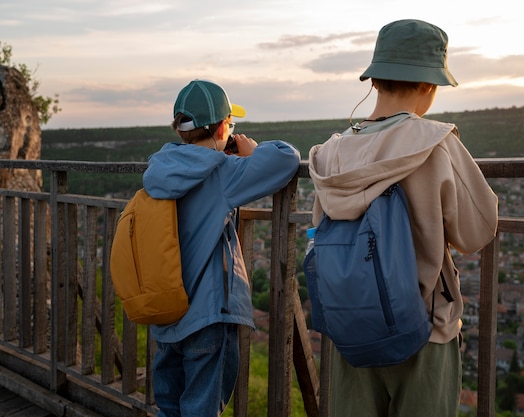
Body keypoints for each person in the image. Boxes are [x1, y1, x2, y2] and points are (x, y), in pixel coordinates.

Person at [308, 19, 498, 416]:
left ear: (374, 82)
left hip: (351, 331)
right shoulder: (436, 143)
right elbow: (475, 230)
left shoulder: (330, 155)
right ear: (429, 85)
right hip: (423, 329)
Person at [143, 79, 301, 416]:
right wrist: (252, 151)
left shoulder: (160, 167)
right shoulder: (221, 172)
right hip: (207, 316)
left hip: (167, 311)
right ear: (220, 129)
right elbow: (287, 158)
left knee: (169, 408)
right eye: (230, 124)